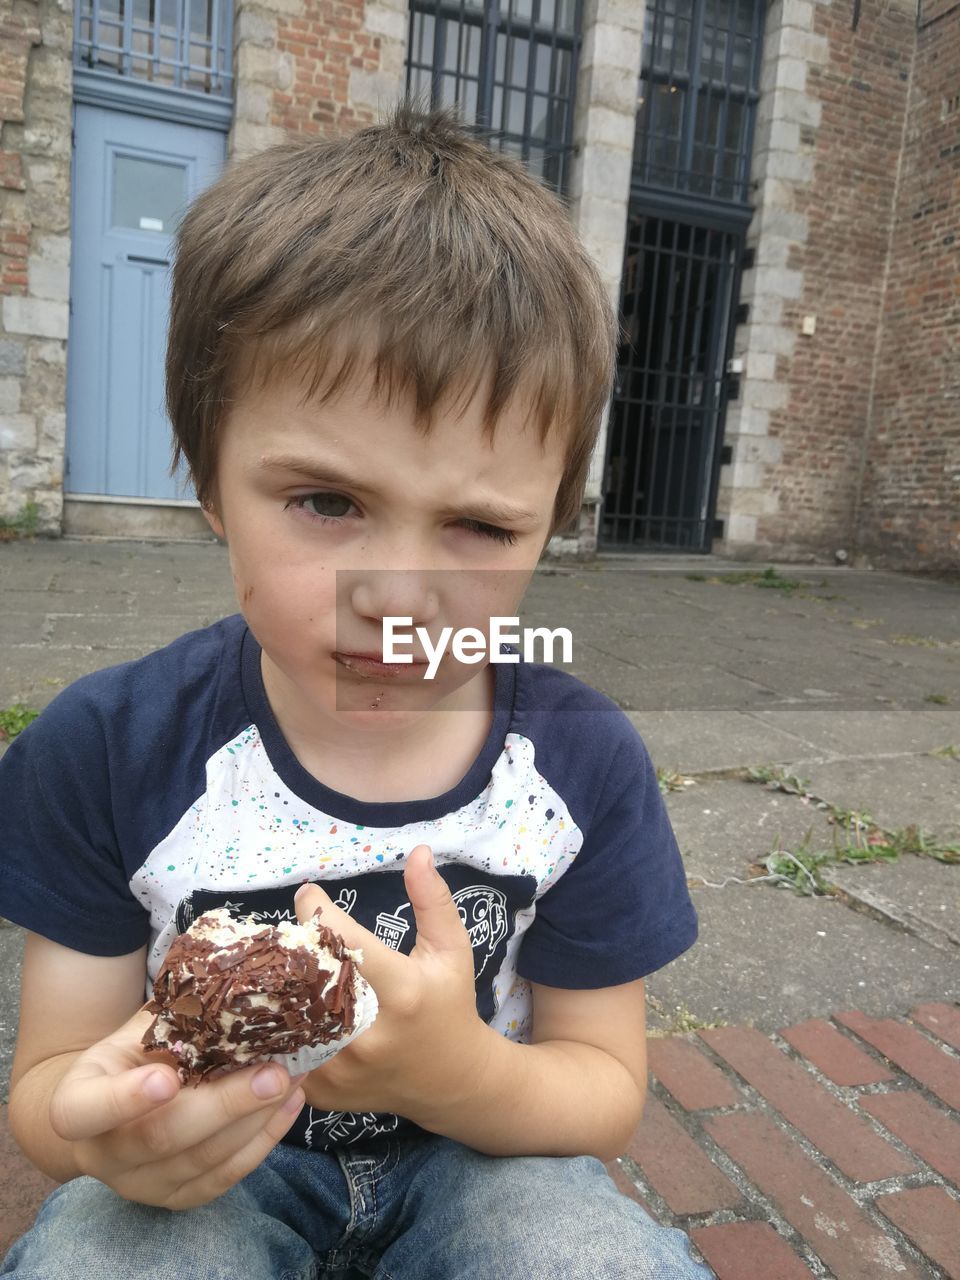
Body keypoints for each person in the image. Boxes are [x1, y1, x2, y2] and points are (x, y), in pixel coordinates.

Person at [0, 105, 711, 1279]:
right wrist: (112, 1136)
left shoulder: (581, 763)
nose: (399, 597)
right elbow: (45, 1090)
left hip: (485, 1159)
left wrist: (459, 1073)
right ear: (210, 480)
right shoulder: (109, 747)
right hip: (218, 1170)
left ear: (552, 528)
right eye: (328, 501)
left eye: (481, 525)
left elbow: (603, 1089)